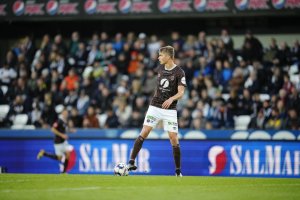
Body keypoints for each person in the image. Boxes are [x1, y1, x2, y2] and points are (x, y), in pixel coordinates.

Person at [127, 46, 186, 177]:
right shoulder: (159, 68)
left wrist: (171, 98)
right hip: (155, 106)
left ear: (168, 56)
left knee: (174, 139)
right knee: (145, 131)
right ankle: (131, 162)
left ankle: (177, 171)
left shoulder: (179, 72)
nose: (158, 57)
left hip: (169, 109)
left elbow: (181, 92)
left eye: (160, 55)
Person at [37, 108, 75, 173]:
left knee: (68, 154)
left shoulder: (64, 121)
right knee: (59, 158)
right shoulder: (59, 121)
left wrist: (70, 131)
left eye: (67, 113)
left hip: (63, 142)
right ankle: (44, 153)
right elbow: (53, 129)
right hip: (58, 142)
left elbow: (63, 129)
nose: (66, 114)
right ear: (62, 113)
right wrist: (62, 135)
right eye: (65, 112)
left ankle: (64, 172)